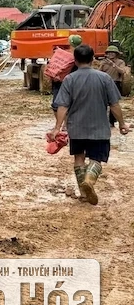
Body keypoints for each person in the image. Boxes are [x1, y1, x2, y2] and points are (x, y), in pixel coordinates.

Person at [49, 44, 130, 205]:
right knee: (96, 159)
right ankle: (89, 181)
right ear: (93, 59)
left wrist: (57, 128)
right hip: (99, 128)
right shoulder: (104, 78)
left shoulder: (69, 79)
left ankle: (84, 193)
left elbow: (62, 105)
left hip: (76, 128)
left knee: (79, 158)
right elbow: (114, 104)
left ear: (75, 61)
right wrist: (122, 124)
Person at [50, 35, 82, 120]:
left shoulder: (65, 54)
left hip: (61, 82)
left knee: (57, 104)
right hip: (74, 81)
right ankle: (65, 124)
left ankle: (60, 124)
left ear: (70, 43)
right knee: (70, 103)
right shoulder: (82, 54)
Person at [97, 45, 127, 127]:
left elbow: (122, 71)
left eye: (112, 53)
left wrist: (113, 65)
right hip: (104, 83)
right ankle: (103, 121)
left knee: (114, 103)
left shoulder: (120, 62)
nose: (110, 54)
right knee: (102, 102)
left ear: (116, 54)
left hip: (115, 83)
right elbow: (98, 72)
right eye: (109, 53)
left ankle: (111, 122)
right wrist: (102, 65)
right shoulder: (104, 62)